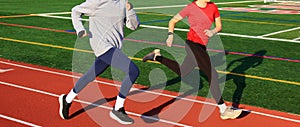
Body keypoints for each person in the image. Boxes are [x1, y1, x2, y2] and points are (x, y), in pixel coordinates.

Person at [143, 0, 242, 120]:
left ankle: (157, 57)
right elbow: (172, 21)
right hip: (192, 44)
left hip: (201, 47)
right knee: (213, 75)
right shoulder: (190, 8)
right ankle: (223, 110)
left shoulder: (213, 7)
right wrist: (170, 35)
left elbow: (219, 26)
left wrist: (213, 31)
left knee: (183, 72)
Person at [59, 0, 140, 124]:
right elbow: (75, 11)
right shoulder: (96, 2)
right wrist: (80, 29)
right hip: (102, 46)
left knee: (90, 75)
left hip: (114, 47)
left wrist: (130, 9)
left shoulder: (123, 3)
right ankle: (118, 108)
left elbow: (133, 26)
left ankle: (67, 99)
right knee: (133, 71)